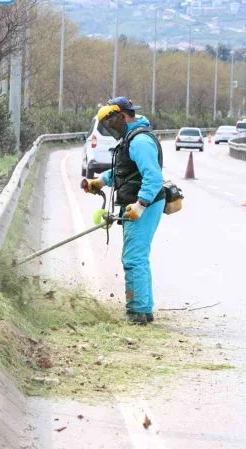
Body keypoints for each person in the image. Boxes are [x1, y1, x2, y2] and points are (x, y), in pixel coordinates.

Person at [83, 97, 164, 325]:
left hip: (144, 205)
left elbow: (154, 177)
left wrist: (141, 204)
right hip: (137, 203)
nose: (110, 128)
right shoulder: (130, 139)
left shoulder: (139, 141)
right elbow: (124, 171)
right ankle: (144, 309)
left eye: (111, 122)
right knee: (139, 257)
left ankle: (137, 312)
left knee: (134, 258)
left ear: (122, 116)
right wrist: (99, 182)